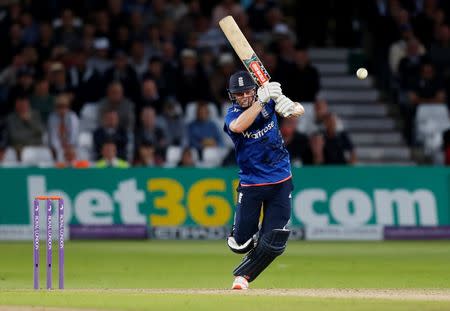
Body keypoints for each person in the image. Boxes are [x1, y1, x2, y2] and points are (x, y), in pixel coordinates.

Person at [223, 70, 304, 290]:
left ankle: (243, 277)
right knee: (239, 244)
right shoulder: (233, 115)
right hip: (252, 184)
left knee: (275, 242)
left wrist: (291, 107)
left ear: (255, 89)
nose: (244, 97)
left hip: (280, 180)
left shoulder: (268, 102)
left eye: (248, 91)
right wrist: (261, 101)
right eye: (239, 94)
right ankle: (241, 234)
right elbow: (239, 126)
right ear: (233, 96)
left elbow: (298, 110)